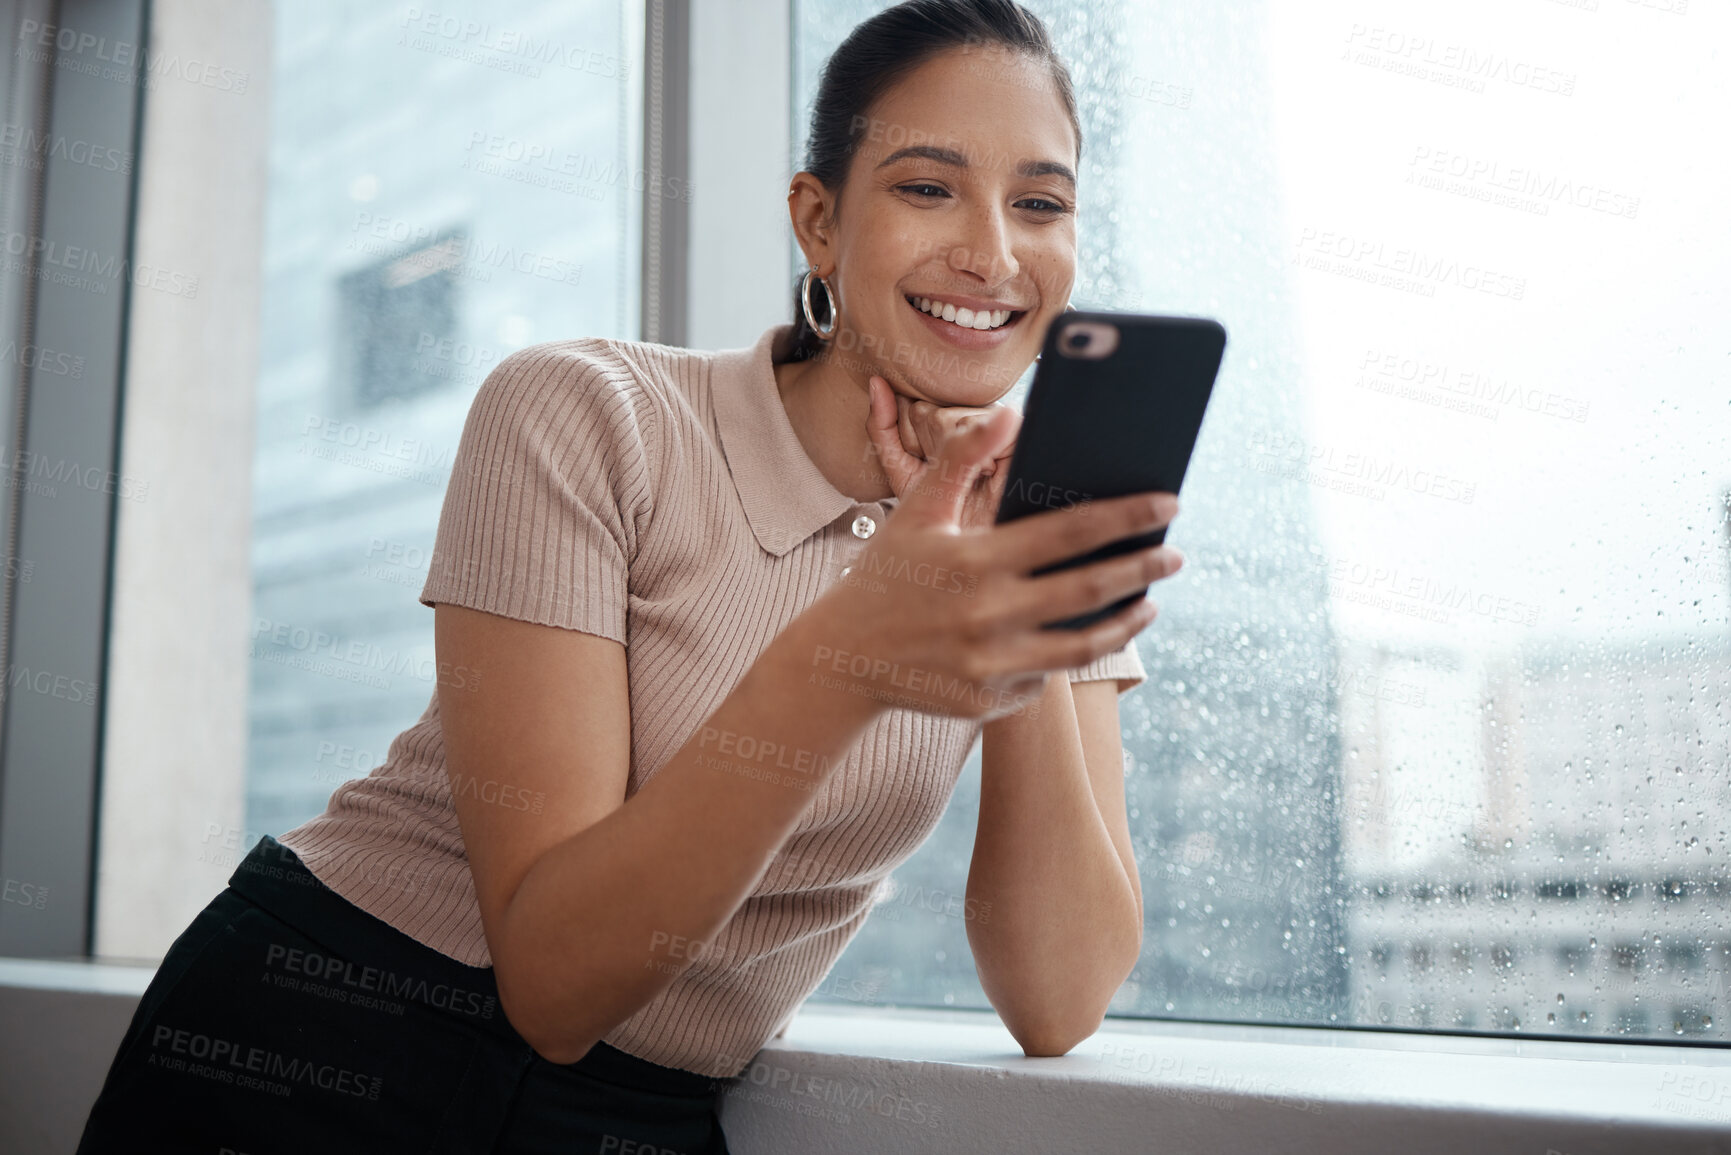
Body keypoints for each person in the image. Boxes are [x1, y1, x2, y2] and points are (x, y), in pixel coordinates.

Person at [75, 0, 1184, 1150]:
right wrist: (854, 651)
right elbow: (551, 986)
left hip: (640, 1112)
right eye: (924, 187)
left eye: (1041, 204)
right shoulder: (586, 415)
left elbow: (1058, 999)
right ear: (818, 221)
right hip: (334, 1042)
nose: (994, 254)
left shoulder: (1046, 527)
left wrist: (1018, 591)